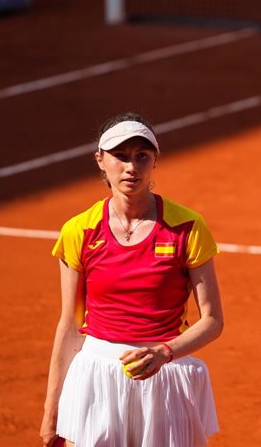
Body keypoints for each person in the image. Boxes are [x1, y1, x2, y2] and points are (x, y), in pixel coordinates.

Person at [40, 113, 224, 447]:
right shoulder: (78, 230)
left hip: (166, 375)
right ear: (100, 161)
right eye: (120, 156)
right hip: (97, 376)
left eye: (142, 156)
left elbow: (212, 320)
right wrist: (52, 413)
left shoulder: (188, 227)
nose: (131, 167)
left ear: (156, 160)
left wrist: (165, 352)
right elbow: (69, 325)